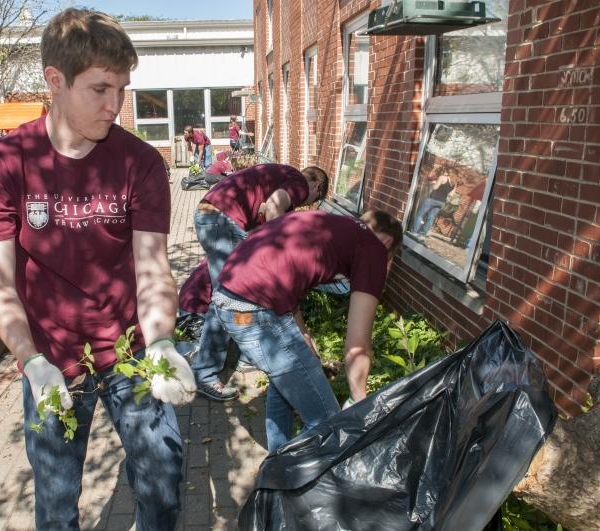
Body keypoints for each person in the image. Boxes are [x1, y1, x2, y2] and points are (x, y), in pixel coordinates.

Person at [0, 9, 195, 530]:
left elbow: (153, 268)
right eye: (101, 89)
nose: (116, 106)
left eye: (124, 89)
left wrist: (160, 343)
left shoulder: (140, 163)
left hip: (129, 351)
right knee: (57, 494)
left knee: (162, 475)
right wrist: (31, 361)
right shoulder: (3, 164)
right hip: (51, 361)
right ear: (55, 81)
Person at [202, 209, 403, 452]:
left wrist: (303, 335)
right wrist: (359, 401)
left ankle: (279, 457)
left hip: (229, 297)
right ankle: (288, 478)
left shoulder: (332, 224)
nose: (387, 265)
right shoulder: (374, 250)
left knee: (285, 380)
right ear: (388, 244)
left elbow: (287, 276)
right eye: (391, 258)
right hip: (255, 310)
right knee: (328, 422)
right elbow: (357, 346)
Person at [192, 163, 329, 400]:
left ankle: (247, 354)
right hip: (221, 219)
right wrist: (278, 255)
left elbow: (264, 217)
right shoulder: (297, 181)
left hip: (212, 216)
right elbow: (275, 208)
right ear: (316, 186)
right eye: (313, 199)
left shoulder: (279, 179)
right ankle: (204, 373)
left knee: (244, 293)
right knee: (227, 298)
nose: (306, 205)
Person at [411, 172, 454, 240]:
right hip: (441, 202)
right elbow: (451, 195)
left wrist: (434, 183)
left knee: (420, 215)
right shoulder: (454, 183)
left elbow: (435, 187)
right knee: (431, 218)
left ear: (447, 172)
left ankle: (414, 232)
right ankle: (422, 234)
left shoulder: (442, 177)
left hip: (433, 199)